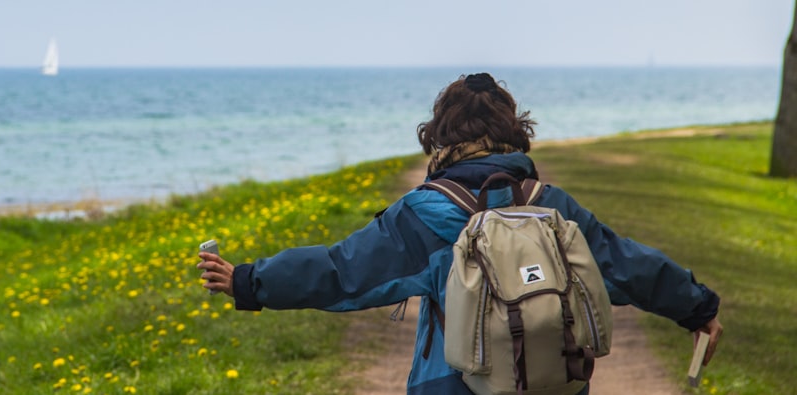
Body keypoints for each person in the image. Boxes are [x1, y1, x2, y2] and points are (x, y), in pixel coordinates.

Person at [197, 72, 724, 394]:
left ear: (440, 136)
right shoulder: (552, 206)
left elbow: (342, 273)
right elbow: (627, 266)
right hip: (555, 382)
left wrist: (249, 281)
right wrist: (697, 307)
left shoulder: (428, 213)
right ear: (515, 134)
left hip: (450, 385)